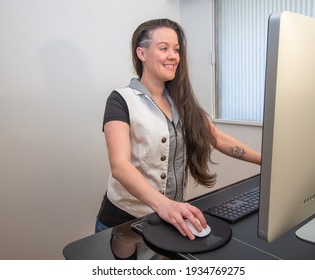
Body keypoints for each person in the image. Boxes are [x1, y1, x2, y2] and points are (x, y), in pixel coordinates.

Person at [96, 18, 261, 244]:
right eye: (163, 48)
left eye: (176, 49)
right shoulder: (120, 100)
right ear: (142, 54)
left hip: (169, 218)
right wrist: (164, 205)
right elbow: (120, 166)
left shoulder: (182, 103)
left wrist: (266, 161)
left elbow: (219, 139)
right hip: (122, 222)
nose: (173, 56)